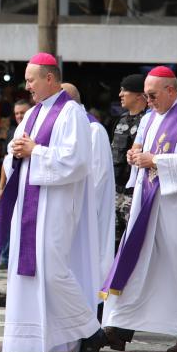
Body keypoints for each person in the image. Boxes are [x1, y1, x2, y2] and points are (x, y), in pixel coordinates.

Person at [0, 52, 104, 352]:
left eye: (30, 80)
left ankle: (91, 331)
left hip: (55, 204)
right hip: (28, 203)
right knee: (24, 272)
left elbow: (77, 162)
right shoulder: (32, 114)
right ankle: (26, 345)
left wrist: (35, 151)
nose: (27, 86)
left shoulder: (71, 113)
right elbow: (18, 152)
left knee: (52, 270)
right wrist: (16, 152)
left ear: (49, 78)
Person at [101, 66, 177, 352]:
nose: (147, 101)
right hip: (147, 199)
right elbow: (141, 149)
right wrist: (135, 156)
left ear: (170, 91)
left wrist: (155, 160)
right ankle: (119, 327)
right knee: (136, 258)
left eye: (151, 95)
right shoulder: (150, 117)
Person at [61, 82, 115, 314]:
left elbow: (99, 176)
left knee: (92, 259)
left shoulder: (94, 129)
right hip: (69, 208)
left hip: (88, 209)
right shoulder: (67, 126)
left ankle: (95, 310)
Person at [111, 74, 148, 244]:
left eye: (124, 91)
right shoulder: (120, 120)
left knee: (132, 239)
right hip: (115, 190)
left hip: (135, 191)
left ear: (139, 95)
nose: (120, 94)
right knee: (113, 240)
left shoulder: (148, 121)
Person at [0, 100, 32, 270]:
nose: (19, 116)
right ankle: (4, 256)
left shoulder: (34, 130)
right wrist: (1, 186)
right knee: (8, 218)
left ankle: (8, 257)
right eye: (16, 113)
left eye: (22, 112)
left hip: (27, 184)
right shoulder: (12, 131)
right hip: (11, 183)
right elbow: (6, 160)